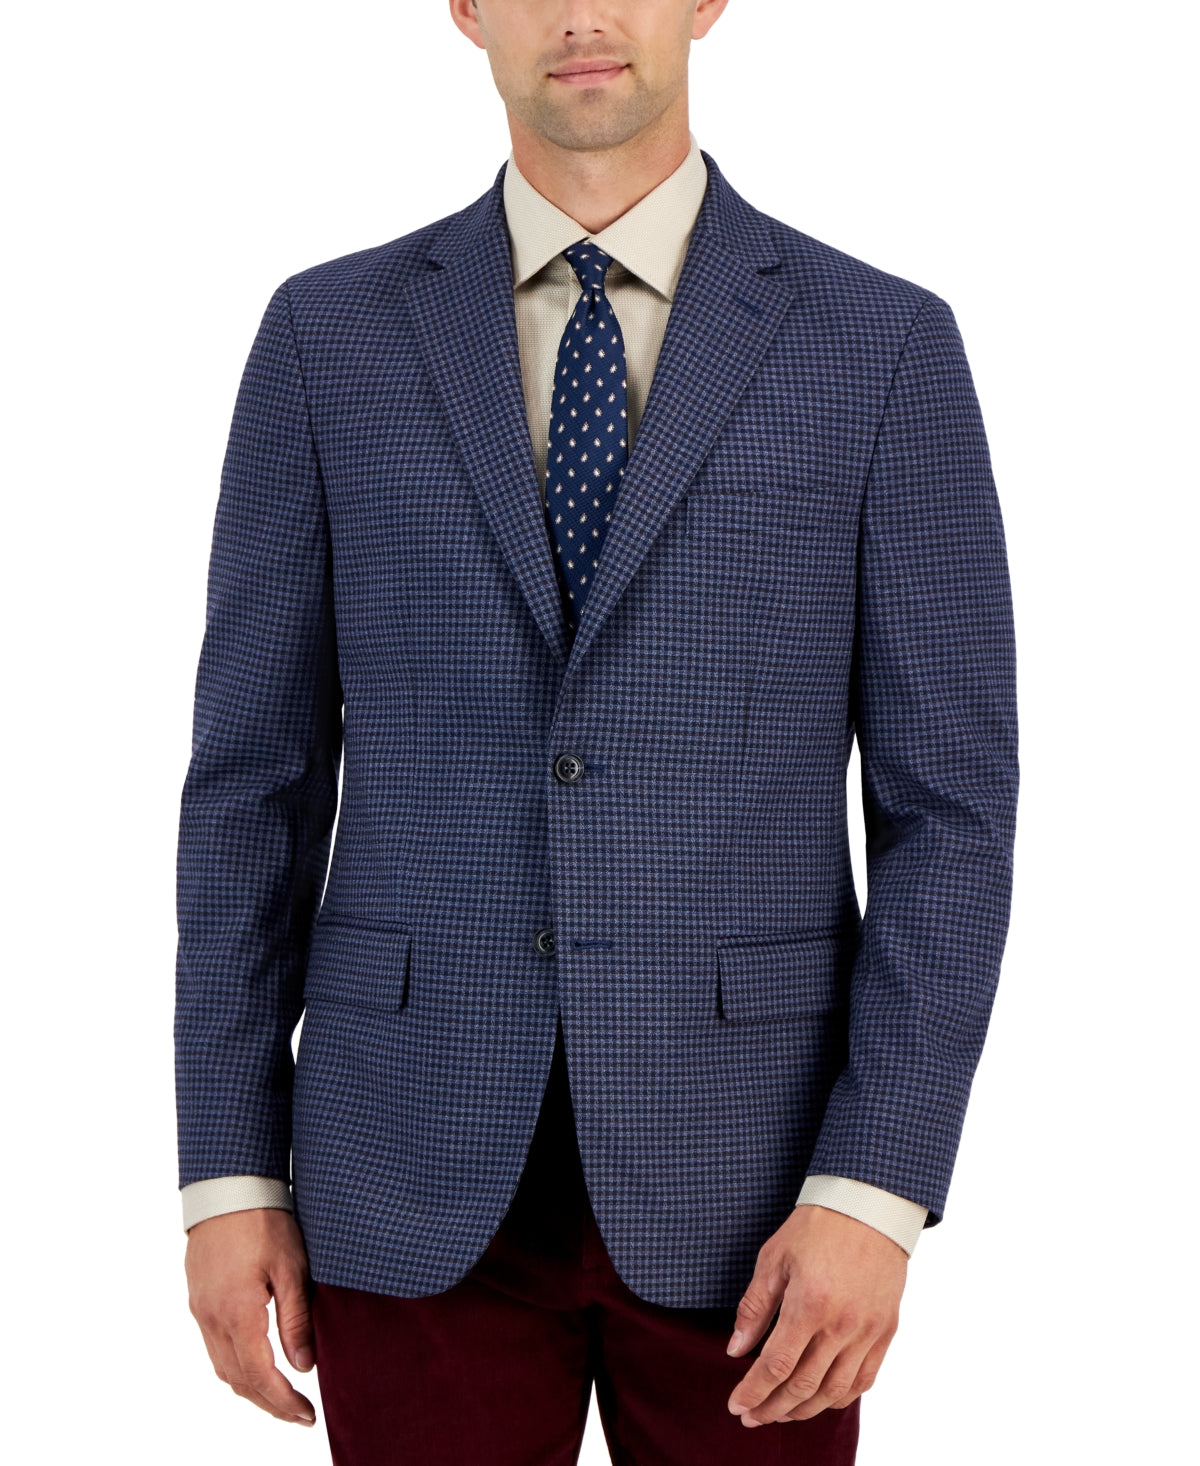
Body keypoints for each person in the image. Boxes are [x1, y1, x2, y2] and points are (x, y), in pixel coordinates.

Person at [175, 2, 1018, 1461]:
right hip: (403, 1166)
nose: (579, 16)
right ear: (463, 7)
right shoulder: (328, 338)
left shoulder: (881, 346)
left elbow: (951, 811)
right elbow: (253, 780)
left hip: (763, 1197)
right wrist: (228, 1167)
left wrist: (876, 1186)